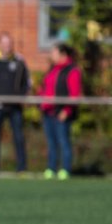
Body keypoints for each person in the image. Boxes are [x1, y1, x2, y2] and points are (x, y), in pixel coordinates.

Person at [0, 33, 30, 176]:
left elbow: (27, 84)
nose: (7, 47)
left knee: (19, 138)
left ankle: (22, 169)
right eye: (5, 43)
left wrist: (21, 98)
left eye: (9, 44)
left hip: (15, 108)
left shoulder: (19, 61)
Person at [40, 42, 82, 180]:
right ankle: (51, 168)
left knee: (63, 141)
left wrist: (67, 110)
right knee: (51, 143)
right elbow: (45, 88)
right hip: (48, 112)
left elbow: (74, 94)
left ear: (63, 54)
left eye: (54, 52)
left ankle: (65, 169)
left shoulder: (72, 70)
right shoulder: (53, 69)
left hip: (62, 113)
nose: (51, 55)